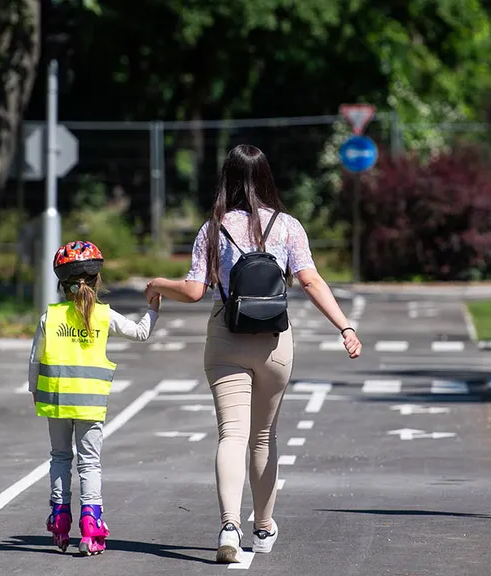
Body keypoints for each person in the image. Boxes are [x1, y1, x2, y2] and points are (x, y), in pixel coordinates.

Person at [144, 144, 362, 564]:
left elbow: (193, 291)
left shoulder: (213, 228)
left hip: (226, 337)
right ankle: (263, 527)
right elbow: (312, 281)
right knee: (264, 437)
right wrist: (345, 327)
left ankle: (229, 524)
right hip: (275, 344)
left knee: (232, 434)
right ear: (265, 178)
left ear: (226, 178)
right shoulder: (288, 226)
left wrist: (156, 284)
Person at [28, 240, 161, 556]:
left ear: (62, 284)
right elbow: (141, 333)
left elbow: (35, 360)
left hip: (57, 400)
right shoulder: (103, 315)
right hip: (91, 401)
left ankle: (60, 519)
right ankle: (91, 525)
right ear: (97, 280)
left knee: (60, 457)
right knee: (90, 463)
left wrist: (35, 392)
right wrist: (154, 307)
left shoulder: (52, 316)